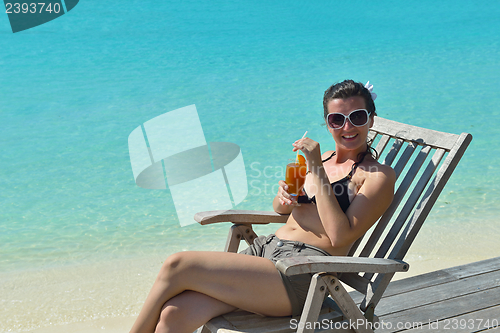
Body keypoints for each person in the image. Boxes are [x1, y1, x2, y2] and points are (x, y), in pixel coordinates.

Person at [129, 80, 396, 333]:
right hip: (264, 254)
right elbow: (283, 210)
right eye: (337, 119)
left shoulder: (377, 177)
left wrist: (315, 168)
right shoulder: (323, 159)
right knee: (174, 314)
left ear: (371, 118)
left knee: (178, 265)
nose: (347, 127)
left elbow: (339, 236)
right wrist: (284, 196)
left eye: (357, 117)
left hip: (303, 273)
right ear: (327, 124)